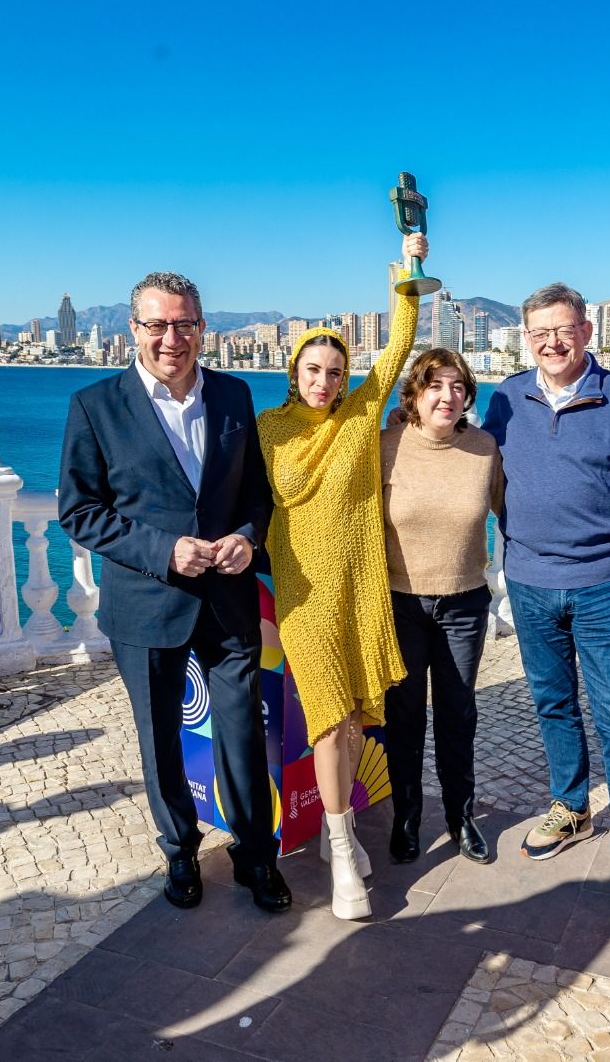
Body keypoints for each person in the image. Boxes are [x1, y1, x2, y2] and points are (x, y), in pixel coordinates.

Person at [58, 271, 291, 914]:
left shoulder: (236, 396)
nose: (171, 338)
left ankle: (254, 854)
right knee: (159, 735)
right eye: (157, 325)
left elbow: (254, 494)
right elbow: (80, 512)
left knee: (243, 731)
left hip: (230, 596)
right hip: (146, 602)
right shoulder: (94, 406)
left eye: (184, 324)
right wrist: (164, 552)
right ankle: (181, 849)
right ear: (132, 329)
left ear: (201, 328)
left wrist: (247, 535)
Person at [482, 282, 610, 922]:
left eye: (562, 330)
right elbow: (477, 469)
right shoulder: (507, 398)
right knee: (553, 703)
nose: (551, 343)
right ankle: (570, 806)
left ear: (586, 332)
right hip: (531, 581)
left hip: (606, 584)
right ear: (525, 337)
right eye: (538, 333)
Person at [257, 233, 427, 920]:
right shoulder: (269, 426)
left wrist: (408, 270)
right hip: (302, 593)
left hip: (359, 592)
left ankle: (344, 833)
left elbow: (401, 344)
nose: (324, 381)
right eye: (313, 369)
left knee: (354, 720)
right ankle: (339, 855)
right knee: (328, 723)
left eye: (334, 370)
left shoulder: (362, 411)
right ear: (294, 371)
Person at [379, 348, 503, 866]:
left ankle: (461, 817)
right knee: (403, 718)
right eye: (436, 385)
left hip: (464, 605)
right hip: (400, 602)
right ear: (415, 393)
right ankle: (406, 819)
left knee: (457, 715)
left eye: (457, 386)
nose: (447, 396)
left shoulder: (484, 448)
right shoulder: (385, 446)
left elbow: (515, 512)